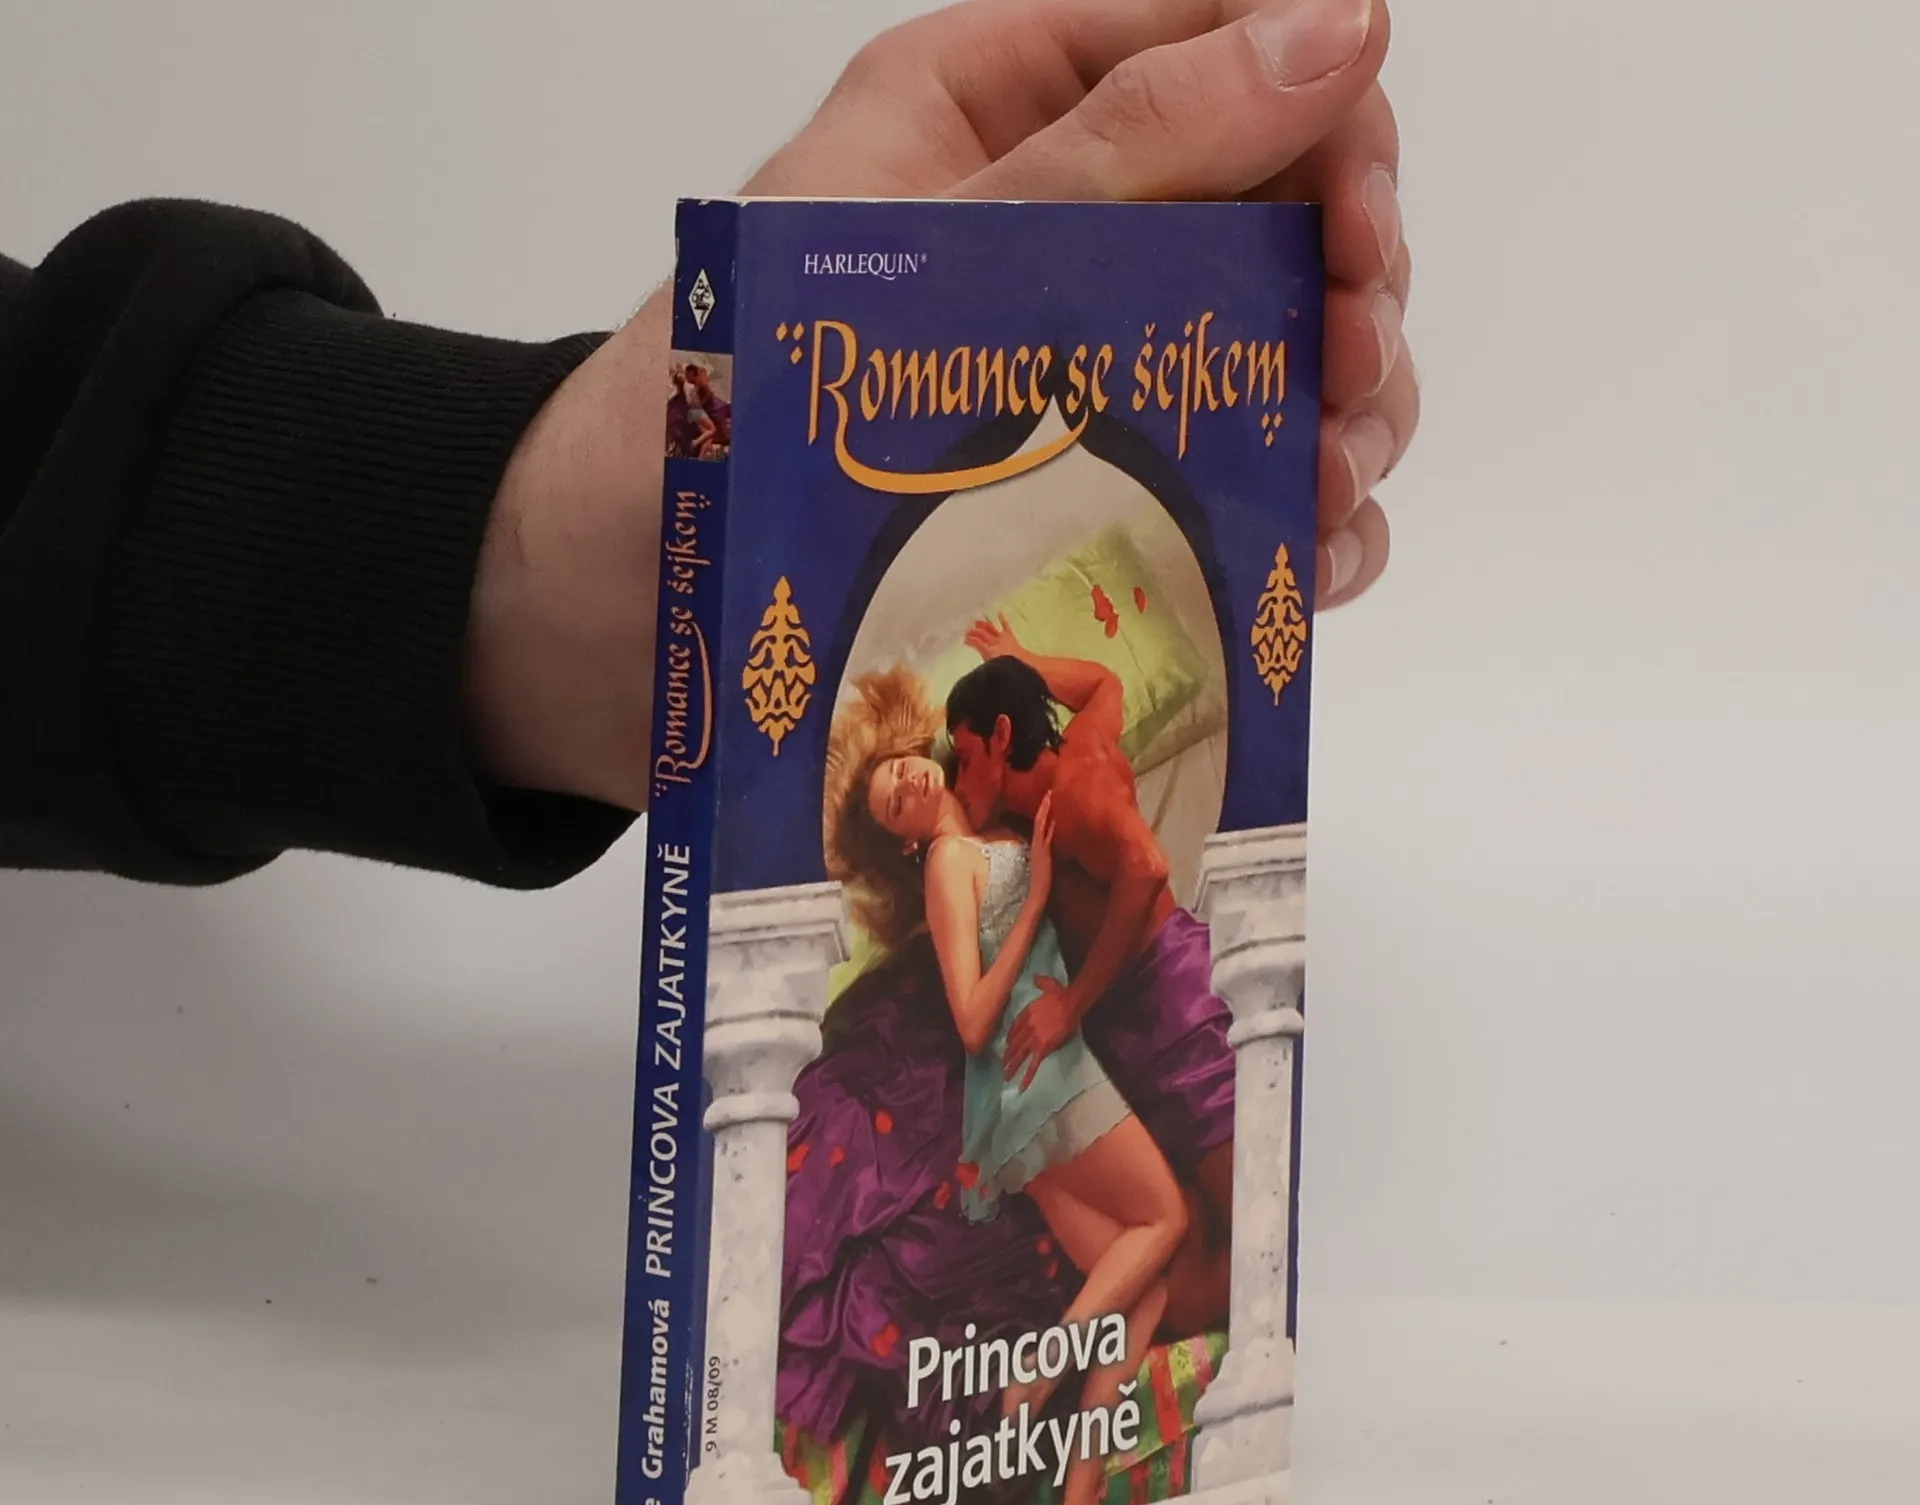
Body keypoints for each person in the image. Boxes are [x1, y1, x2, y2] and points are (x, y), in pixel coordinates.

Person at [0, 0, 1416, 888]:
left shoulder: (1026, 805)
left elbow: (1094, 721)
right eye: (936, 780)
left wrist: (522, 546)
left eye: (930, 771)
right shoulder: (1007, 837)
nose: (936, 780)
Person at [826, 666, 1182, 1505]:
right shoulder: (948, 864)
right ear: (903, 842)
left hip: (1028, 1101)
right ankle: (1033, 1378)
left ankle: (1078, 1504)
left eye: (904, 770)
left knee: (1144, 1291)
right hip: (1039, 1079)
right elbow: (972, 1020)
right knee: (1166, 1220)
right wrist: (1040, 899)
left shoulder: (977, 826)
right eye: (895, 803)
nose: (911, 785)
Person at [947, 623, 1238, 1333]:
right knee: (1190, 1229)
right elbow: (1107, 683)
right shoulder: (1081, 744)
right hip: (1136, 1017)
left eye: (964, 758)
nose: (957, 780)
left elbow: (1147, 868)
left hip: (1171, 1008)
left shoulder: (1075, 792)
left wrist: (1071, 1005)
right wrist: (1022, 661)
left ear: (1001, 737)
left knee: (1252, 1219)